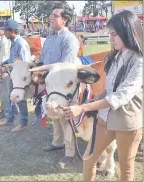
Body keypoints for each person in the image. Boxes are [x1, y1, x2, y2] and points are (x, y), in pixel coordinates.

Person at [63, 10, 143, 181]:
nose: (110, 39)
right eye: (109, 34)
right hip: (104, 119)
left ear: (127, 32)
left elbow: (121, 96)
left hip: (127, 123)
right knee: (88, 160)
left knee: (126, 169)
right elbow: (110, 90)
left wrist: (83, 107)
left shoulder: (139, 61)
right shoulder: (113, 57)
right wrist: (91, 99)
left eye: (114, 34)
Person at [34, 3, 80, 168]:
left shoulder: (70, 39)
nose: (51, 18)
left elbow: (65, 67)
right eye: (51, 15)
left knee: (65, 117)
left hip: (64, 85)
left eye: (55, 15)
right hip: (51, 82)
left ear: (65, 20)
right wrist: (35, 67)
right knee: (53, 114)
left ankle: (70, 153)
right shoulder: (50, 38)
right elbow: (43, 59)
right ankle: (57, 142)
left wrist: (45, 73)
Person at [0, 19, 31, 132]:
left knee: (20, 99)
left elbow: (24, 63)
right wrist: (5, 63)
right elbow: (13, 59)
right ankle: (10, 119)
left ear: (11, 31)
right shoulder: (14, 42)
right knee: (11, 97)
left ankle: (23, 123)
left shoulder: (21, 43)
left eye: (5, 30)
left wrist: (6, 67)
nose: (3, 32)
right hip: (14, 75)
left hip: (19, 78)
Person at [0, 21, 11, 120]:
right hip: (1, 67)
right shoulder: (1, 39)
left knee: (5, 92)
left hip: (5, 69)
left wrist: (1, 68)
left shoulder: (5, 40)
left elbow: (5, 56)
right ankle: (6, 111)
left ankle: (6, 112)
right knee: (3, 91)